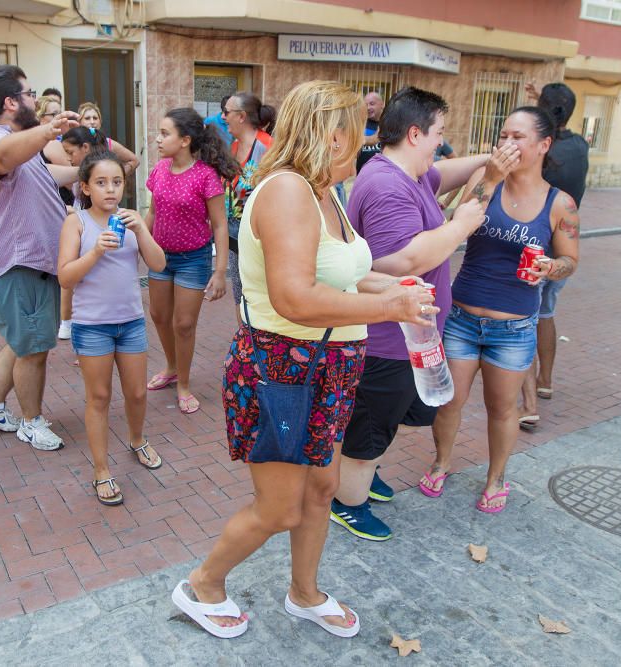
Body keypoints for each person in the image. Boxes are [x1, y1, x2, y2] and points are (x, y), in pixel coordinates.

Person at [171, 80, 435, 639]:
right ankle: (202, 584)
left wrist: (393, 284)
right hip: (283, 371)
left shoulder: (324, 191)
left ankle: (305, 593)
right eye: (358, 128)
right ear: (332, 134)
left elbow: (341, 270)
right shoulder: (289, 190)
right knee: (279, 508)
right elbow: (293, 296)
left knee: (321, 490)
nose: (365, 138)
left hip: (330, 368)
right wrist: (391, 305)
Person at [332, 86, 518, 540]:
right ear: (415, 134)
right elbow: (400, 261)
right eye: (437, 133)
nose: (441, 142)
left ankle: (365, 471)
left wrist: (486, 163)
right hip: (386, 338)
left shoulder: (408, 173)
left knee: (395, 416)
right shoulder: (386, 184)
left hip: (411, 332)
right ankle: (346, 501)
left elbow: (445, 173)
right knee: (369, 426)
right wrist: (458, 227)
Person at [423, 106, 580, 512]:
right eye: (503, 136)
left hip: (512, 329)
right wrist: (490, 177)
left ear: (543, 145)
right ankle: (441, 464)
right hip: (461, 318)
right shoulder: (484, 180)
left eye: (518, 137)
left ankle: (496, 479)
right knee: (449, 401)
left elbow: (570, 260)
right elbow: (455, 223)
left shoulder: (560, 203)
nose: (507, 145)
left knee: (502, 408)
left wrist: (550, 267)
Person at [0, 64, 79, 450]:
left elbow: (46, 177)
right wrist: (49, 130)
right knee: (33, 349)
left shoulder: (19, 142)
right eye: (29, 94)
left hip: (30, 265)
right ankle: (32, 422)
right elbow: (4, 155)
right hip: (17, 266)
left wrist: (90, 171)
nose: (36, 100)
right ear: (11, 102)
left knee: (20, 341)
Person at [57, 150, 167, 505]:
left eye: (117, 182)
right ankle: (101, 470)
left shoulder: (129, 219)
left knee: (137, 393)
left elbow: (158, 263)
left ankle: (137, 439)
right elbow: (64, 277)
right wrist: (95, 253)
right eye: (101, 183)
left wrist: (142, 231)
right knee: (99, 397)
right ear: (85, 188)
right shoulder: (76, 222)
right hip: (92, 327)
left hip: (131, 321)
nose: (110, 190)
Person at [144, 107, 235, 415]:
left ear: (184, 140)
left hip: (193, 260)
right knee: (158, 316)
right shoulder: (159, 170)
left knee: (184, 324)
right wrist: (136, 242)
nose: (158, 139)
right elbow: (152, 213)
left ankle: (183, 383)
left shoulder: (205, 176)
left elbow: (220, 225)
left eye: (164, 133)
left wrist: (220, 272)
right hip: (159, 257)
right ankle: (170, 368)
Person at [519, 82, 590, 430]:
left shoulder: (543, 155)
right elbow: (556, 120)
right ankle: (545, 380)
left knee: (521, 322)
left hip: (533, 248)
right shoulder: (579, 146)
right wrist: (541, 102)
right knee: (545, 314)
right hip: (564, 245)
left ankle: (529, 403)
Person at [222, 92, 274, 316]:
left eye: (227, 112)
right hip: (234, 236)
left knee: (261, 293)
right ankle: (245, 342)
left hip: (261, 237)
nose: (223, 117)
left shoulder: (268, 147)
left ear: (241, 116)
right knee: (239, 292)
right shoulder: (233, 147)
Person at [55, 126, 107, 341]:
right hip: (79, 225)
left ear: (85, 147)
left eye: (70, 152)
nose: (67, 158)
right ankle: (70, 323)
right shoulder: (79, 172)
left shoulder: (100, 168)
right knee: (74, 276)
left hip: (92, 228)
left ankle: (86, 328)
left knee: (93, 278)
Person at [76, 102, 139, 173]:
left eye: (95, 118)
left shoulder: (108, 143)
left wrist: (118, 177)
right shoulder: (73, 143)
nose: (92, 122)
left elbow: (134, 161)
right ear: (79, 123)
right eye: (87, 118)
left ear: (100, 122)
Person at [355, 91, 385, 174]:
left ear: (382, 104)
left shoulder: (389, 124)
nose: (368, 108)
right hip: (362, 175)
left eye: (372, 104)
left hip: (383, 175)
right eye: (365, 105)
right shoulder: (360, 124)